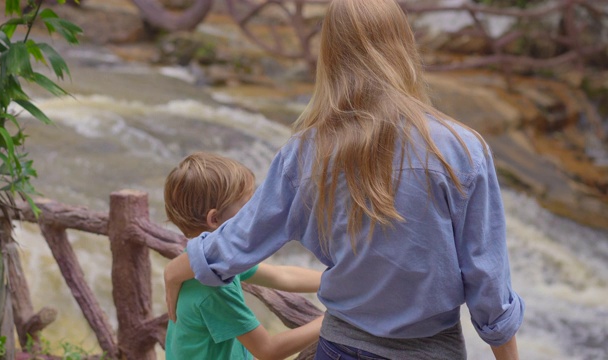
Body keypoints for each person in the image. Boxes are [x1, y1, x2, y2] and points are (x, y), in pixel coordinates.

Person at [165, 0, 524, 359]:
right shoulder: (460, 149)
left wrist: (174, 272)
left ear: (330, 54)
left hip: (340, 348)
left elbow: (242, 239)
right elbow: (486, 279)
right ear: (403, 44)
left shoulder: (305, 153)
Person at [163, 152, 323, 360]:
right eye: (247, 206)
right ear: (215, 219)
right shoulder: (213, 287)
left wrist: (338, 281)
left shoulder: (207, 261)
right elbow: (268, 350)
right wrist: (333, 318)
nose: (254, 214)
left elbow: (280, 276)